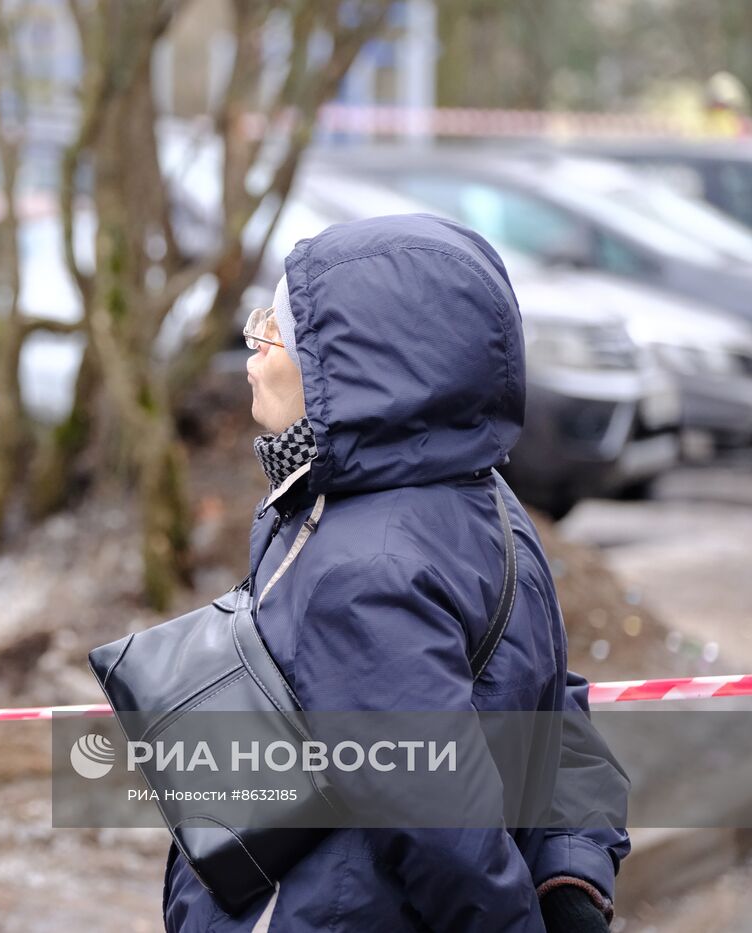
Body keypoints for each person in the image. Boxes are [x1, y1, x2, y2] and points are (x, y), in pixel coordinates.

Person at [163, 214, 628, 932]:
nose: (253, 344)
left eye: (278, 329)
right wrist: (572, 865)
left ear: (356, 368)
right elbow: (552, 708)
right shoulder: (477, 499)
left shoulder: (364, 562)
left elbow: (444, 829)